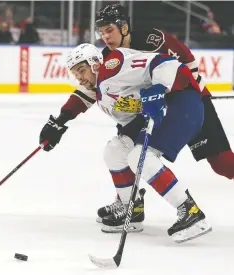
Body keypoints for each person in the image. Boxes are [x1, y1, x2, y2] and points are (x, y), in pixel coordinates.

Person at [45, 3, 233, 233]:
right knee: (120, 150)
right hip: (158, 109)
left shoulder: (151, 40)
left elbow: (180, 62)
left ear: (124, 27)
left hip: (184, 100)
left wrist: (189, 88)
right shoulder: (108, 59)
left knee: (223, 164)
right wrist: (61, 119)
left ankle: (186, 210)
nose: (105, 37)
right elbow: (91, 89)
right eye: (101, 32)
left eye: (109, 30)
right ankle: (130, 206)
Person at [39, 43, 212, 243]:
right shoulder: (100, 88)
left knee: (141, 157)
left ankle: (191, 212)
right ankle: (132, 208)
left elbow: (164, 62)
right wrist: (59, 122)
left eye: (81, 70)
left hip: (181, 103)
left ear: (95, 64)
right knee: (115, 151)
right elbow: (89, 100)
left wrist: (158, 89)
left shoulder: (112, 67)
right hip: (157, 114)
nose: (79, 78)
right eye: (75, 74)